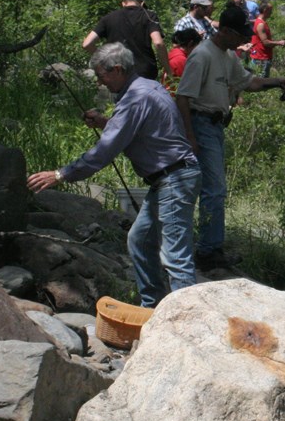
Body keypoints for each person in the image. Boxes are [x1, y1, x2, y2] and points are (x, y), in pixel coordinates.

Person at [27, 43, 201, 308]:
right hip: (170, 178)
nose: (100, 82)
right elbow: (137, 132)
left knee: (176, 258)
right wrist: (105, 123)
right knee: (140, 241)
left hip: (174, 179)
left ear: (117, 70)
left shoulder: (136, 97)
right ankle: (152, 307)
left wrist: (61, 175)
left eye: (102, 75)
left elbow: (103, 152)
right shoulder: (146, 86)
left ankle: (190, 322)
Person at [175, 6, 285, 269]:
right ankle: (208, 252)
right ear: (226, 31)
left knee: (213, 190)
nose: (244, 39)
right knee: (214, 190)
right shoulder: (202, 55)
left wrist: (278, 82)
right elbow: (183, 97)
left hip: (216, 126)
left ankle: (209, 247)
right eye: (240, 34)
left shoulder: (228, 56)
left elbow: (249, 83)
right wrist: (190, 136)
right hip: (201, 123)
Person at [82, 0, 170, 81]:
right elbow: (158, 43)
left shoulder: (109, 18)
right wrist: (168, 70)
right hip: (144, 73)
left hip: (117, 73)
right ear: (142, 3)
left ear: (123, 3)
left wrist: (106, 59)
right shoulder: (149, 16)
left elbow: (87, 44)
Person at [249, 2, 285, 77]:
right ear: (265, 10)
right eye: (270, 10)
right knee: (262, 83)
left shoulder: (258, 21)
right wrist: (279, 42)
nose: (271, 12)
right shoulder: (261, 24)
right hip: (261, 58)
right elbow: (265, 42)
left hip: (258, 56)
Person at [164, 28, 202, 93]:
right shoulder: (181, 60)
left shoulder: (174, 53)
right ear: (190, 43)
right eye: (196, 46)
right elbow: (188, 85)